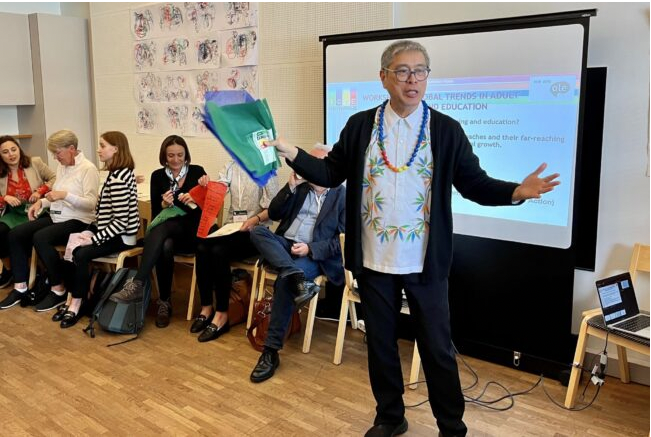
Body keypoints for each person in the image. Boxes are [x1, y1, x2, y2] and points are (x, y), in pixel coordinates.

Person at [265, 40, 560, 437]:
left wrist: (515, 192)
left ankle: (451, 426)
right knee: (381, 345)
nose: (412, 80)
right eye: (403, 71)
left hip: (425, 262)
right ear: (384, 77)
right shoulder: (360, 126)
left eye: (420, 71)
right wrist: (292, 152)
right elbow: (331, 173)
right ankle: (390, 417)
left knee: (437, 347)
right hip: (373, 260)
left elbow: (474, 183)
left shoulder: (446, 130)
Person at [248, 145, 346, 383]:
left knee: (286, 281)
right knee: (257, 232)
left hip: (313, 254)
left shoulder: (342, 195)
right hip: (286, 245)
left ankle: (270, 351)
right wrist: (290, 186)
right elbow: (274, 213)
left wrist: (310, 248)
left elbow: (343, 241)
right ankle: (292, 271)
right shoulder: (300, 188)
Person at [109, 135, 206, 328]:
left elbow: (206, 211)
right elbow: (155, 215)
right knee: (165, 244)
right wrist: (164, 204)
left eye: (180, 155)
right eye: (171, 155)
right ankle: (164, 302)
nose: (176, 160)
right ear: (164, 156)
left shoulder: (197, 172)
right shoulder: (158, 176)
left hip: (192, 231)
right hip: (168, 235)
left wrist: (198, 196)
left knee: (163, 231)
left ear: (186, 155)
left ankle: (138, 283)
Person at [0, 130, 99, 311]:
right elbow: (55, 196)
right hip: (58, 217)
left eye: (57, 152)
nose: (55, 157)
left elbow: (91, 204)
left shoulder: (88, 169)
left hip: (80, 220)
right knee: (15, 234)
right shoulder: (63, 167)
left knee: (40, 237)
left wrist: (65, 195)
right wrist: (41, 202)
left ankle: (58, 288)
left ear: (71, 149)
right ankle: (20, 287)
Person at [53, 131, 140, 328]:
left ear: (115, 149)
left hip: (121, 237)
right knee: (72, 245)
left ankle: (76, 303)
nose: (99, 150)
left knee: (81, 253)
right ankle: (73, 298)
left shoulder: (118, 179)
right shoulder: (120, 172)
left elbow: (121, 222)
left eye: (102, 146)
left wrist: (94, 239)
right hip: (111, 231)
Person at [190, 161, 279, 342]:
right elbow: (218, 191)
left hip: (256, 232)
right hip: (232, 227)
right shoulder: (231, 165)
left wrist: (254, 220)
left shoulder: (266, 168)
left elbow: (273, 209)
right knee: (201, 247)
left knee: (218, 251)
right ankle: (206, 308)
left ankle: (222, 314)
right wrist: (206, 186)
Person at [0, 135, 56, 289]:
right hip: (14, 214)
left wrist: (40, 191)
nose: (11, 154)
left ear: (19, 149)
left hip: (37, 210)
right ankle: (10, 270)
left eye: (14, 149)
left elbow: (54, 178)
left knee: (19, 234)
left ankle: (30, 271)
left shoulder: (35, 162)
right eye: (5, 152)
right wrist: (4, 197)